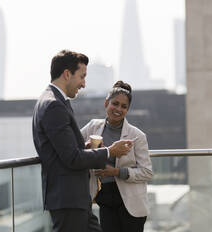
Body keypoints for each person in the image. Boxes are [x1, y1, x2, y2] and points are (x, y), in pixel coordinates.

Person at [32, 50, 134, 232]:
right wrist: (110, 151)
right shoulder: (54, 105)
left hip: (74, 198)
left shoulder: (53, 101)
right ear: (66, 74)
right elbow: (72, 158)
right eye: (82, 76)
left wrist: (85, 147)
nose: (84, 84)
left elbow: (66, 150)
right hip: (68, 198)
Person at [81, 81, 153, 232]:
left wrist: (117, 172)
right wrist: (87, 147)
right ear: (106, 103)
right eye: (115, 103)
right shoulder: (93, 127)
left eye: (124, 106)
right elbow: (74, 149)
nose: (118, 109)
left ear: (128, 110)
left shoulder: (137, 136)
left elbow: (147, 172)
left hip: (131, 203)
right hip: (105, 198)